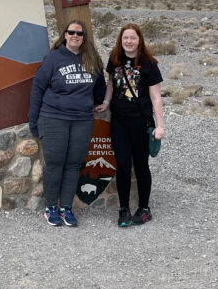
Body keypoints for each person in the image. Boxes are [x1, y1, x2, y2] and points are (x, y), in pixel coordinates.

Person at [29, 19, 105, 227]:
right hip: (54, 118)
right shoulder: (53, 59)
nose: (75, 36)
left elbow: (99, 88)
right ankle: (51, 208)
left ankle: (66, 208)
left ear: (84, 38)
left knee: (73, 165)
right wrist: (33, 122)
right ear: (64, 35)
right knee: (54, 164)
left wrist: (101, 103)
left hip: (81, 120)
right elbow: (37, 90)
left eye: (79, 34)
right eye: (71, 32)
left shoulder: (92, 59)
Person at [98, 23, 164, 227]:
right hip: (119, 121)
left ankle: (144, 208)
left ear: (139, 40)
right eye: (125, 38)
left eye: (132, 38)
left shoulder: (149, 64)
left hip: (141, 122)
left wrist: (160, 126)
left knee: (142, 165)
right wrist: (106, 103)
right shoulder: (115, 59)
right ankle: (124, 209)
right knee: (123, 164)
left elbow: (156, 97)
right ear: (120, 40)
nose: (128, 41)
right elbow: (111, 82)